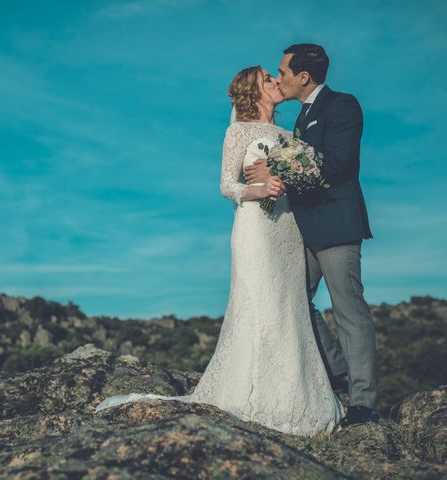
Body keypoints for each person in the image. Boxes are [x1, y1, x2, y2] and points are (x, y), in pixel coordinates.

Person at [94, 65, 344, 436]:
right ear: (254, 92)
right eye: (268, 80)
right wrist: (257, 189)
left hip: (288, 231)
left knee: (288, 306)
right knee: (260, 303)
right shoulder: (238, 131)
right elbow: (226, 183)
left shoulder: (288, 135)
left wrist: (287, 176)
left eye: (275, 77)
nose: (276, 83)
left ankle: (299, 396)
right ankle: (254, 396)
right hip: (255, 229)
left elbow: (300, 177)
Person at [244, 44, 378, 427]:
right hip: (303, 229)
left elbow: (337, 163)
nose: (278, 77)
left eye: (283, 71)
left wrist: (276, 163)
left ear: (304, 76)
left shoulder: (342, 105)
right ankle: (336, 372)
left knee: (349, 310)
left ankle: (364, 403)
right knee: (293, 301)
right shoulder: (302, 117)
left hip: (336, 225)